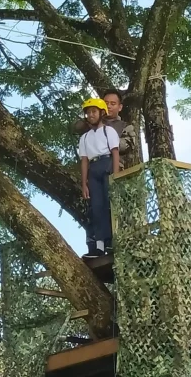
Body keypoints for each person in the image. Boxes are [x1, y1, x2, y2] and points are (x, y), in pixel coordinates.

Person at [78, 98, 121, 258]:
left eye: (94, 111)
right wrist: (84, 183)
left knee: (109, 204)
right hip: (93, 169)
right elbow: (84, 161)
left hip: (106, 163)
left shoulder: (108, 131)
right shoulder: (84, 138)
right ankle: (99, 246)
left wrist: (115, 175)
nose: (90, 115)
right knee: (96, 208)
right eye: (88, 112)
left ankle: (111, 241)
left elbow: (115, 153)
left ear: (101, 113)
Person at [71, 89, 139, 171]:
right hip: (90, 167)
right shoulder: (91, 121)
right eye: (106, 103)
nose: (109, 106)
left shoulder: (125, 126)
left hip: (112, 168)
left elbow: (126, 146)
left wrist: (104, 139)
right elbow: (75, 127)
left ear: (120, 107)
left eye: (113, 104)